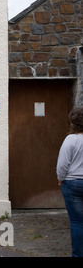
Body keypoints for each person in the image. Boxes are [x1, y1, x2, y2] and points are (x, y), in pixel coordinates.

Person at [57, 107, 83, 257]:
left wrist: (60, 179)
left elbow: (62, 164)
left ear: (72, 122)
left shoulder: (71, 140)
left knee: (77, 222)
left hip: (72, 183)